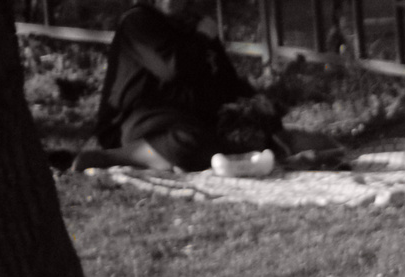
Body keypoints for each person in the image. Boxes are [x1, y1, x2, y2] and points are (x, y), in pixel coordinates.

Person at [74, 0, 281, 172]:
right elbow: (173, 68)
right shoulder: (138, 21)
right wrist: (201, 38)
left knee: (240, 134)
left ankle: (170, 159)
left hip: (182, 118)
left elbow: (225, 79)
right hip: (133, 121)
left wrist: (253, 102)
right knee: (191, 142)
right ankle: (113, 158)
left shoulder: (194, 24)